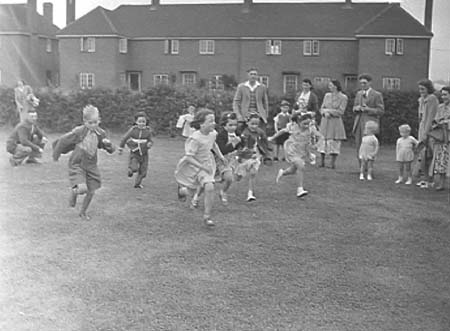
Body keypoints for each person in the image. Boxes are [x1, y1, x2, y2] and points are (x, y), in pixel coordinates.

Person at [52, 105, 115, 220]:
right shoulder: (79, 132)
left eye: (95, 122)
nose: (93, 125)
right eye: (90, 123)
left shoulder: (101, 133)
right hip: (78, 164)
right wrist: (56, 155)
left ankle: (83, 212)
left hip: (91, 166)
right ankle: (74, 191)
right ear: (85, 122)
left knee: (91, 191)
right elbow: (62, 141)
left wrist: (108, 145)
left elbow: (110, 149)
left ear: (99, 120)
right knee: (82, 189)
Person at [175, 109, 226, 227]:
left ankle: (207, 216)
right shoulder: (195, 138)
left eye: (214, 121)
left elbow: (214, 144)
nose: (214, 123)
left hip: (206, 165)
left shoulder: (213, 134)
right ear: (201, 124)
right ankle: (182, 190)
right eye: (210, 121)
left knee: (209, 187)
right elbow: (189, 157)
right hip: (193, 166)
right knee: (191, 190)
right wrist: (201, 166)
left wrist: (221, 156)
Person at [274, 113, 316, 198]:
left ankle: (283, 172)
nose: (306, 125)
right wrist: (273, 137)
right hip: (291, 150)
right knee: (300, 166)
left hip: (301, 153)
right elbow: (282, 131)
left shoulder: (309, 131)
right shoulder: (293, 128)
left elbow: (307, 144)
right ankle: (300, 189)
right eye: (304, 124)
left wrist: (309, 154)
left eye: (308, 124)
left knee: (293, 170)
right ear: (299, 123)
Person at [235, 112, 269, 202]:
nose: (254, 126)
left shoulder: (260, 132)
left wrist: (265, 153)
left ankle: (250, 193)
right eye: (252, 124)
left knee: (253, 173)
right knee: (238, 177)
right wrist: (241, 155)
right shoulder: (245, 133)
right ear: (247, 123)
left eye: (256, 124)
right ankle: (233, 176)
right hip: (245, 156)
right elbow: (242, 146)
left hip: (256, 156)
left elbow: (265, 142)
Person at [213, 112, 243, 206]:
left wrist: (241, 149)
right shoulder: (221, 135)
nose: (233, 127)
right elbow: (222, 150)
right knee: (208, 181)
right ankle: (196, 197)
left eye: (235, 125)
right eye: (230, 125)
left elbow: (242, 144)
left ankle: (223, 190)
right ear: (224, 125)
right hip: (221, 159)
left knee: (230, 178)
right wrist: (233, 144)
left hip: (232, 159)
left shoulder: (237, 133)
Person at [352, 74, 384, 162]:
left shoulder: (377, 95)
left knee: (368, 146)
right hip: (359, 122)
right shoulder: (359, 94)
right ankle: (361, 167)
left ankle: (369, 167)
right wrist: (356, 108)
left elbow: (381, 111)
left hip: (370, 123)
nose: (362, 85)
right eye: (361, 83)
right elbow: (354, 107)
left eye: (364, 83)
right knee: (359, 145)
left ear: (370, 83)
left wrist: (368, 109)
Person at [118, 112, 154, 189]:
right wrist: (121, 147)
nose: (141, 123)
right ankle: (130, 170)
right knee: (134, 168)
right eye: (140, 121)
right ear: (136, 122)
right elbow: (125, 138)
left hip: (144, 153)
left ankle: (137, 184)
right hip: (134, 151)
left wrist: (150, 143)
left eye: (143, 122)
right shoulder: (133, 130)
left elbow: (150, 140)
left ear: (146, 122)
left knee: (143, 171)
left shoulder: (148, 131)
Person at [317, 79, 348, 169]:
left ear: (336, 86)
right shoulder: (327, 96)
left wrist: (329, 112)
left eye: (331, 85)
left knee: (334, 142)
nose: (329, 87)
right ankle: (322, 162)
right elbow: (322, 108)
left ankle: (332, 163)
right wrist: (324, 112)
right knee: (323, 141)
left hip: (335, 122)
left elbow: (341, 111)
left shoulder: (343, 97)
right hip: (325, 121)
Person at [416, 79, 439, 189]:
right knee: (422, 155)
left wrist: (426, 133)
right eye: (420, 89)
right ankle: (424, 178)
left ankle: (430, 179)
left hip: (429, 130)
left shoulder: (432, 99)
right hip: (422, 128)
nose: (421, 91)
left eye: (423, 89)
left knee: (429, 154)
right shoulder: (421, 100)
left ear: (428, 89)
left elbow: (430, 117)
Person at [233, 67, 269, 132]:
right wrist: (238, 115)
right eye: (251, 74)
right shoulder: (241, 87)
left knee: (260, 134)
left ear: (257, 76)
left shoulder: (262, 87)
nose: (253, 76)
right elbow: (236, 102)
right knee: (244, 134)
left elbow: (265, 102)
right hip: (245, 115)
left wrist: (265, 114)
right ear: (248, 75)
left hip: (259, 114)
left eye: (255, 74)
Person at [430, 86, 450, 190]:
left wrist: (445, 122)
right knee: (441, 159)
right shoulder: (440, 107)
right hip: (441, 137)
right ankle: (440, 183)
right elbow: (435, 120)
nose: (443, 97)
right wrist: (438, 123)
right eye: (442, 94)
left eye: (446, 94)